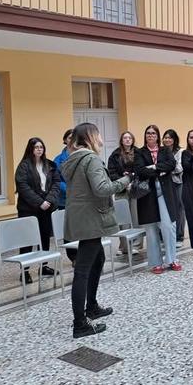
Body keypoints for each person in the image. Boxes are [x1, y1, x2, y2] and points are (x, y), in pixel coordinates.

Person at [60, 122, 130, 338]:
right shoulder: (90, 159)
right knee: (82, 270)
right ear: (91, 136)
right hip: (90, 220)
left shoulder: (74, 159)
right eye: (98, 133)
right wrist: (125, 180)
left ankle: (91, 306)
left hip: (82, 218)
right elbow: (102, 189)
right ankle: (80, 323)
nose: (100, 137)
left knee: (98, 258)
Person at [135, 125, 181, 273]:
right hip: (147, 194)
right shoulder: (140, 152)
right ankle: (156, 263)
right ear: (145, 136)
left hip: (165, 192)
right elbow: (140, 170)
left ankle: (172, 259)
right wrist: (160, 170)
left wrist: (153, 167)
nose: (151, 135)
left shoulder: (165, 150)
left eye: (153, 133)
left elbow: (171, 164)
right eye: (148, 133)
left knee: (168, 226)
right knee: (151, 229)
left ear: (158, 136)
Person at [15, 137, 61, 284]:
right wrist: (39, 202)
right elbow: (23, 187)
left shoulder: (50, 165)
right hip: (28, 209)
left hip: (46, 207)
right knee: (27, 239)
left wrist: (49, 200)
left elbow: (56, 183)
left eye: (41, 147)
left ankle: (44, 266)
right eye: (36, 147)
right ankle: (25, 271)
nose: (39, 149)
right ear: (31, 149)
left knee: (45, 237)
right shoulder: (24, 166)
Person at [108, 131, 142, 256]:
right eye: (125, 138)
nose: (127, 140)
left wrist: (131, 178)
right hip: (121, 189)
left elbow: (141, 169)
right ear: (121, 141)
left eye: (129, 138)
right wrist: (123, 181)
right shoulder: (115, 155)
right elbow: (111, 172)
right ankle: (124, 246)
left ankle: (136, 245)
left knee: (136, 218)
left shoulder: (139, 153)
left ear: (132, 140)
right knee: (123, 219)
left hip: (135, 188)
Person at [54, 129, 76, 265]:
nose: (72, 140)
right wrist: (70, 190)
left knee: (81, 228)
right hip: (65, 200)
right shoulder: (58, 160)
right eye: (69, 138)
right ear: (65, 140)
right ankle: (73, 257)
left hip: (81, 199)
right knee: (69, 230)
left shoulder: (81, 155)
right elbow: (56, 180)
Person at [163, 130, 186, 248]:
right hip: (165, 183)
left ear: (174, 139)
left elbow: (179, 168)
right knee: (165, 209)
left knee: (179, 209)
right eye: (165, 137)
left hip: (177, 183)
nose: (167, 140)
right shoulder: (161, 151)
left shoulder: (180, 152)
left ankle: (179, 236)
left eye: (170, 138)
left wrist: (166, 168)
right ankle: (166, 236)